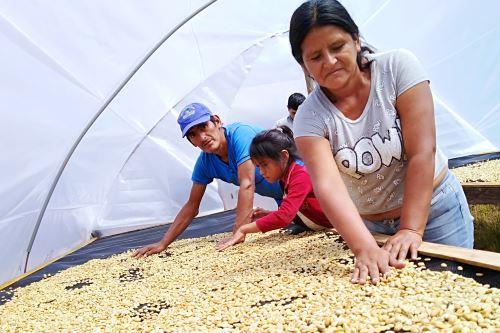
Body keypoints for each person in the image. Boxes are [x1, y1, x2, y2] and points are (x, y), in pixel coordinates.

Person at [288, 0, 474, 284]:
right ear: (303, 64)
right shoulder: (309, 117)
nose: (330, 61)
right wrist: (364, 247)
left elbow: (422, 151)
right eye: (315, 56)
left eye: (337, 47)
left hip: (436, 210)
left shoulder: (397, 68)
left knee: (457, 295)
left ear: (356, 40)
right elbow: (328, 187)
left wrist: (411, 228)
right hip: (371, 227)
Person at [133, 103, 283, 258]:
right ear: (192, 142)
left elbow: (247, 184)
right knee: (295, 225)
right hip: (289, 203)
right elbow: (192, 205)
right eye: (193, 135)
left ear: (217, 121)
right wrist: (163, 243)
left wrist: (238, 232)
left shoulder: (241, 135)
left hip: (305, 188)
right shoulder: (205, 162)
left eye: (204, 126)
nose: (202, 137)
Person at [217, 126, 331, 251]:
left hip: (332, 225)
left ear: (284, 156)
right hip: (317, 225)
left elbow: (284, 217)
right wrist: (269, 214)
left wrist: (244, 229)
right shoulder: (286, 177)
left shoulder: (300, 175)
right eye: (258, 166)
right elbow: (293, 210)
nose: (261, 172)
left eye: (264, 165)